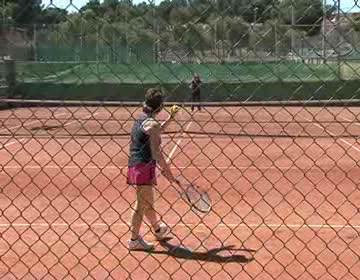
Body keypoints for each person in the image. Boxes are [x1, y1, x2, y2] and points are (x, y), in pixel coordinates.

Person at [127, 88, 179, 251]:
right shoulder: (152, 124)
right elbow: (158, 154)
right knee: (141, 204)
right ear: (160, 106)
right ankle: (134, 239)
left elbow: (155, 130)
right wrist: (169, 174)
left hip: (138, 165)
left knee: (147, 201)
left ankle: (157, 229)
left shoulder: (141, 119)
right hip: (143, 166)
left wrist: (170, 119)